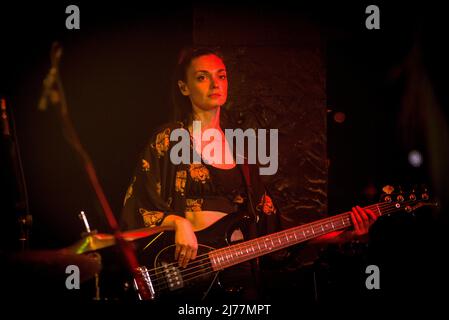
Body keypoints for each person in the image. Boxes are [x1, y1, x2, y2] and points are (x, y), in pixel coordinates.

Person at [120, 47, 378, 301]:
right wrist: (178, 222)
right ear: (184, 87)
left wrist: (340, 236)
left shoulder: (241, 150)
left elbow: (273, 234)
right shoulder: (168, 140)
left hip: (240, 283)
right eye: (202, 77)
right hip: (187, 277)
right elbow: (136, 208)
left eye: (221, 75)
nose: (214, 83)